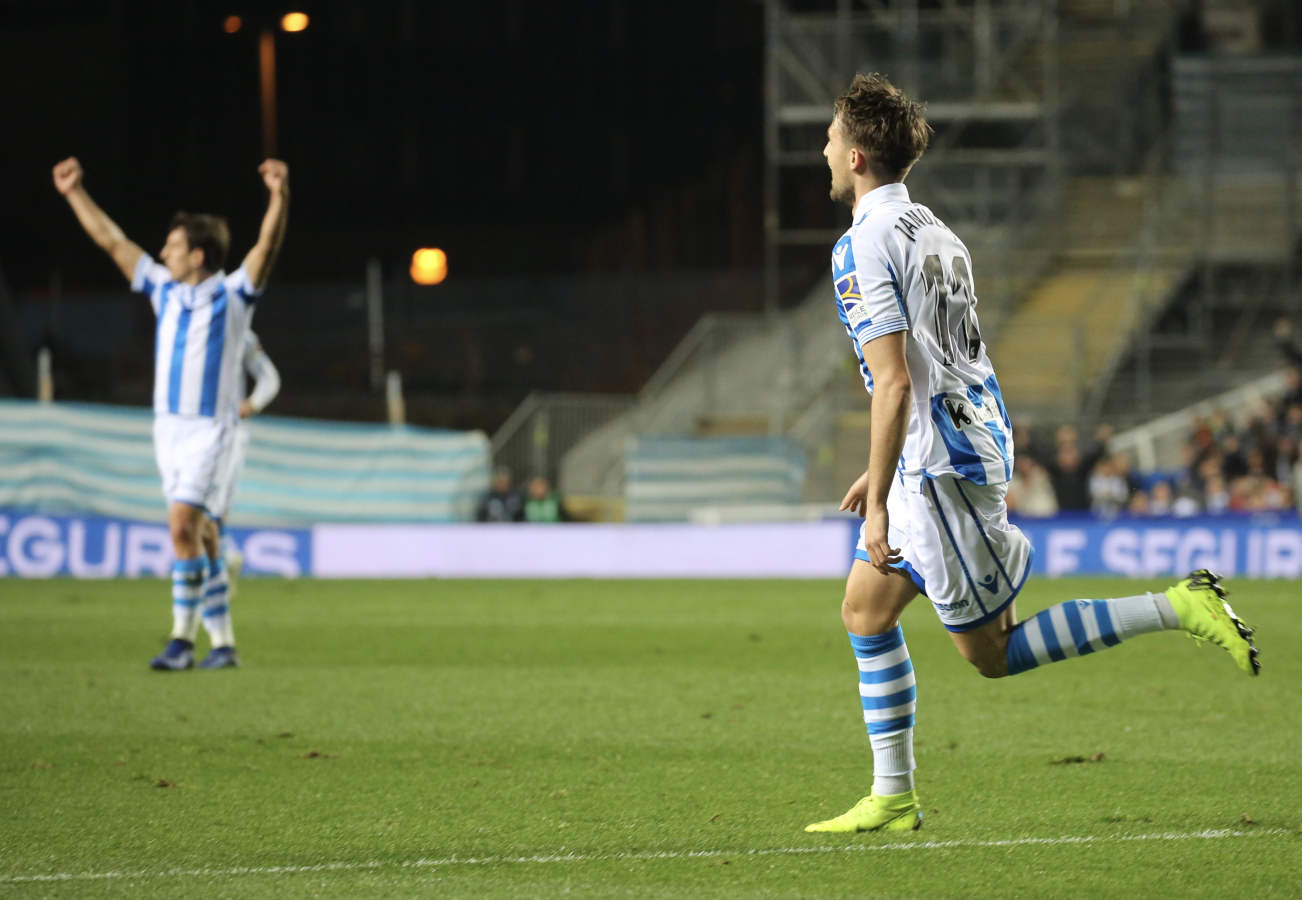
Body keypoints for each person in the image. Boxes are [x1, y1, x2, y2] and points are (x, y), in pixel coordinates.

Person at [806, 73, 1259, 835]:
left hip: (943, 469)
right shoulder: (937, 232)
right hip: (950, 444)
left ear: (855, 157)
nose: (822, 149)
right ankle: (893, 793)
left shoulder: (860, 246)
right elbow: (940, 363)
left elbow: (892, 382)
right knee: (864, 608)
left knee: (991, 654)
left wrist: (881, 497)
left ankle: (1179, 604)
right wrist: (887, 464)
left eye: (828, 138)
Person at [52, 155, 289, 671]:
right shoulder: (164, 290)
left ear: (198, 254)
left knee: (181, 524)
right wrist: (74, 193)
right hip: (167, 429)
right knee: (202, 535)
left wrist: (279, 196)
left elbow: (265, 248)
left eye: (174, 245)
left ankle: (182, 640)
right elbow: (112, 241)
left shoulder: (231, 296)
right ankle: (223, 644)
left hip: (210, 429)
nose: (163, 252)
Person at [194, 329, 282, 666]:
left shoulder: (239, 331)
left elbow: (270, 378)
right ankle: (225, 559)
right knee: (203, 520)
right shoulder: (180, 315)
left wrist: (250, 405)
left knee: (205, 521)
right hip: (191, 436)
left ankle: (213, 637)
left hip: (224, 436)